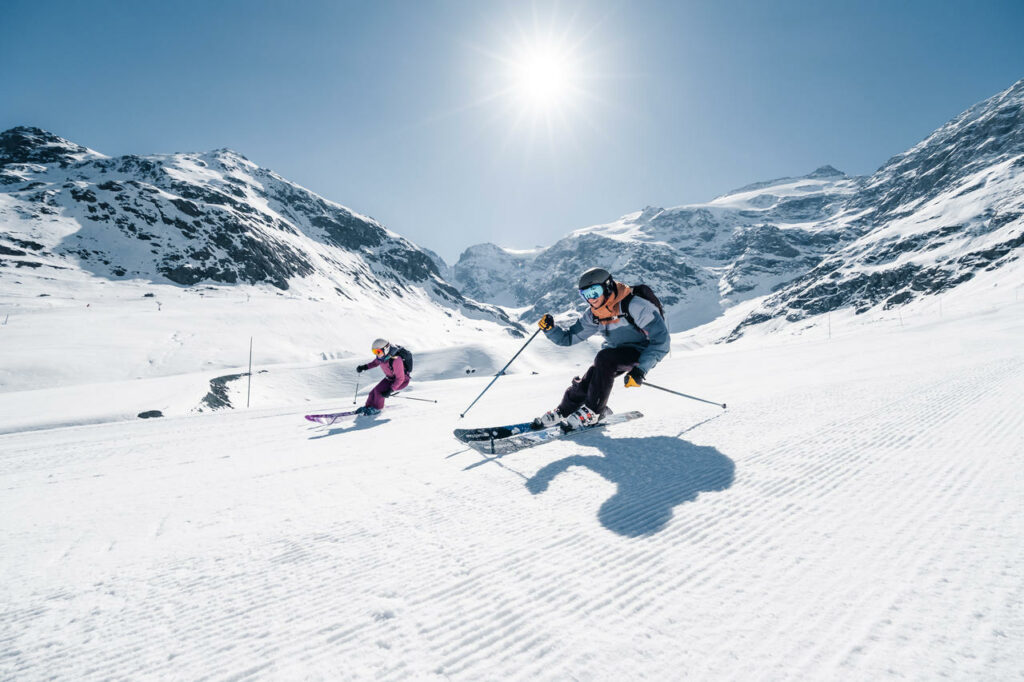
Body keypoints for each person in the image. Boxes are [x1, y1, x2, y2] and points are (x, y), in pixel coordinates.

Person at [534, 267, 670, 430]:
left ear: (608, 286)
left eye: (594, 292)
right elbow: (569, 338)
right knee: (592, 376)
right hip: (614, 354)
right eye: (586, 295)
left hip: (642, 352)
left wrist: (640, 370)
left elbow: (661, 341)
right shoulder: (594, 315)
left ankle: (592, 412)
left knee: (604, 358)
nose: (591, 299)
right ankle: (565, 411)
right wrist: (550, 329)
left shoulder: (635, 306)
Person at [354, 338, 411, 415]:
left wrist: (390, 390)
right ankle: (368, 407)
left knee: (379, 392)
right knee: (372, 392)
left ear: (386, 349)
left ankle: (377, 408)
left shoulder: (396, 360)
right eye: (374, 352)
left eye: (378, 351)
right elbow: (374, 363)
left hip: (402, 381)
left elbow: (400, 378)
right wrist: (364, 367)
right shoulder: (382, 357)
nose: (376, 354)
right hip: (390, 379)